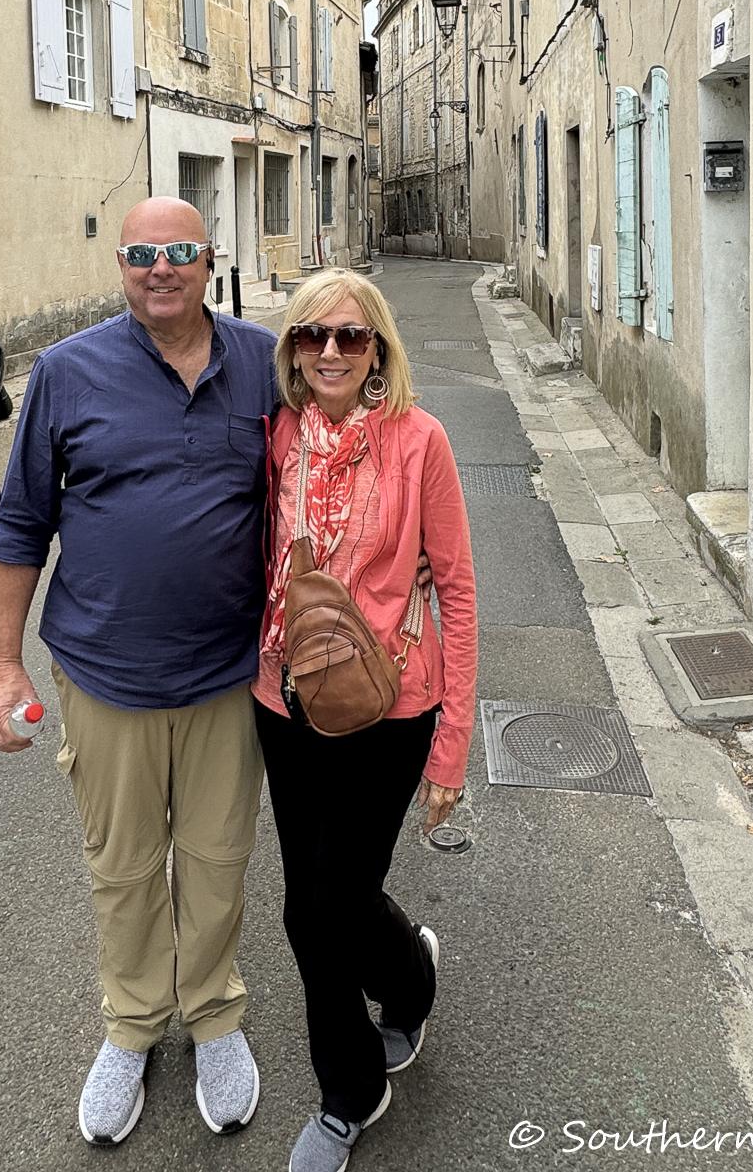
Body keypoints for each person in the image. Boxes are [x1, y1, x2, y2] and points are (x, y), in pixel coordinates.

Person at [0, 197, 276, 1146]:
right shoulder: (69, 373)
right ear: (121, 265)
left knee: (218, 857)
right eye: (142, 254)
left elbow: (341, 458)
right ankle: (133, 1024)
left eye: (179, 252)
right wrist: (0, 668)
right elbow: (21, 525)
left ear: (208, 259)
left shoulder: (264, 364)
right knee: (124, 865)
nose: (161, 268)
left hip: (231, 672)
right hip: (104, 672)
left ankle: (215, 1014)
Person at [254, 267, 478, 1172]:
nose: (332, 351)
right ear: (293, 353)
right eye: (313, 337)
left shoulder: (419, 442)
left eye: (351, 336)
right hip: (288, 702)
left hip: (393, 710)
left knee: (328, 904)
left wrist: (452, 748)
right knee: (312, 908)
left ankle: (349, 1092)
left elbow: (456, 593)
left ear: (378, 347)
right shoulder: (280, 440)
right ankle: (402, 982)